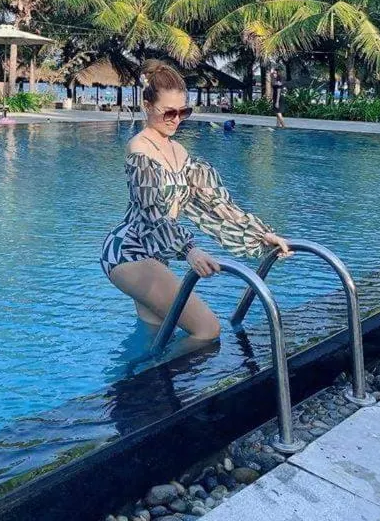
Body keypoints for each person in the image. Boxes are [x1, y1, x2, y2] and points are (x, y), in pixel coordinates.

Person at [100, 60, 290, 342]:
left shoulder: (179, 151)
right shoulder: (139, 150)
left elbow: (216, 203)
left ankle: (139, 384)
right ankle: (177, 387)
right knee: (207, 329)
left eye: (183, 112)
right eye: (169, 112)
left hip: (157, 253)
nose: (176, 119)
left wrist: (262, 234)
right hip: (130, 251)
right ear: (147, 105)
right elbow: (153, 213)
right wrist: (190, 250)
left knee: (154, 333)